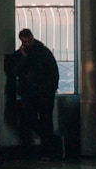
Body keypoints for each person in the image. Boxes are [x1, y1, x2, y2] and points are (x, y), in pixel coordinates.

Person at [12, 28, 61, 158]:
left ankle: (46, 146)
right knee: (40, 119)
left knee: (38, 119)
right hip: (39, 93)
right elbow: (16, 71)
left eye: (29, 41)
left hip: (36, 92)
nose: (27, 44)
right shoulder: (44, 52)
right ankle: (49, 143)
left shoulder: (42, 53)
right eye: (25, 42)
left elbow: (17, 71)